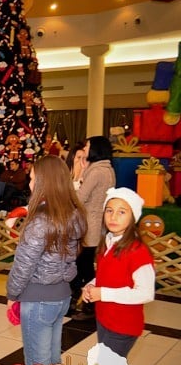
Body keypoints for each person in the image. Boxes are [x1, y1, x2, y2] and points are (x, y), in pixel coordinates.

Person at [3, 155, 87, 365]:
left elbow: (23, 266)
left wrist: (12, 294)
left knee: (38, 364)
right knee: (51, 360)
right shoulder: (72, 214)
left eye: (32, 176)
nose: (29, 181)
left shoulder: (40, 220)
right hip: (61, 295)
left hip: (38, 299)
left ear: (44, 180)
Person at [80, 188, 155, 365]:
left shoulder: (137, 251)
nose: (113, 216)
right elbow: (105, 278)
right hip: (106, 320)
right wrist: (91, 287)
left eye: (121, 211)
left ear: (133, 217)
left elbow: (145, 292)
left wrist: (105, 293)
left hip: (124, 327)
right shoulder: (108, 242)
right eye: (109, 210)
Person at [71, 136, 115, 321]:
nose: (85, 147)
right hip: (96, 224)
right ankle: (86, 303)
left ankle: (88, 306)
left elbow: (80, 198)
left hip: (89, 224)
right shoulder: (108, 169)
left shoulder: (96, 171)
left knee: (83, 266)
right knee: (85, 265)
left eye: (88, 145)